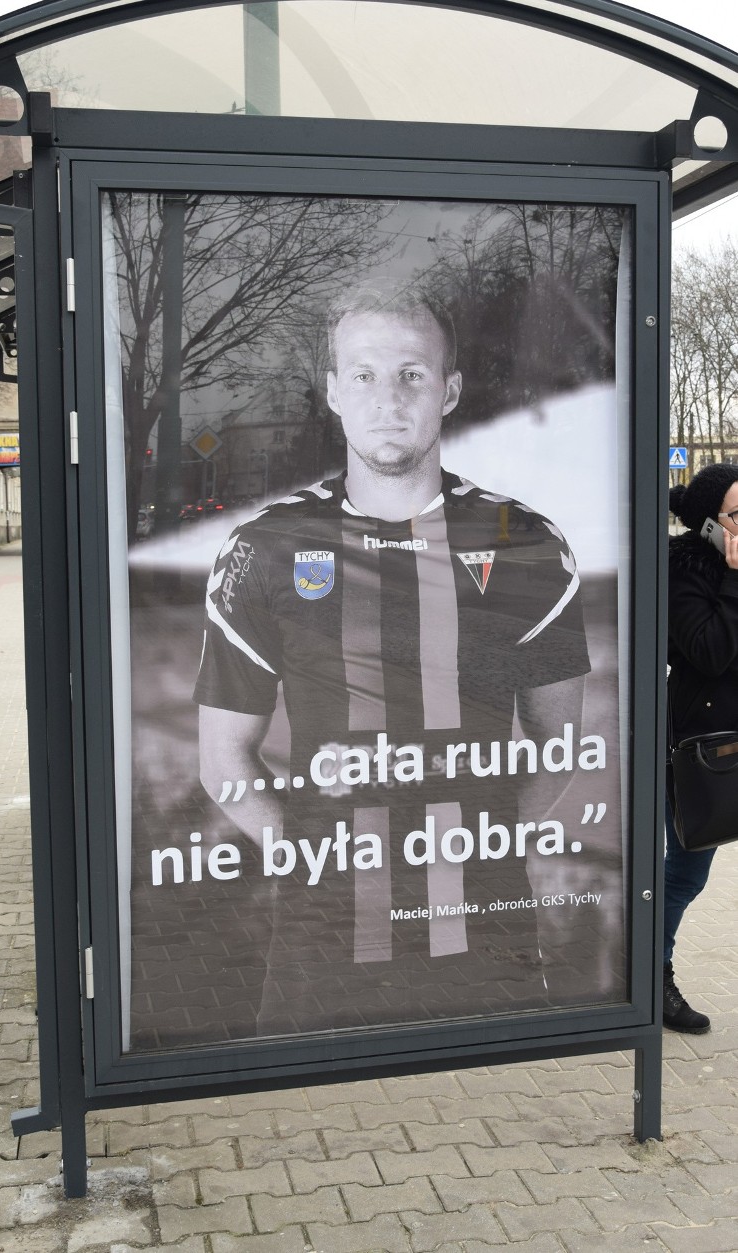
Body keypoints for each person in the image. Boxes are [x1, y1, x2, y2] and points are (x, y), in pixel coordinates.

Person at [194, 282, 591, 1035]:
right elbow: (224, 761)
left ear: (448, 390)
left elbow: (560, 745)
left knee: (488, 1126)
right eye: (366, 375)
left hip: (486, 924)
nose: (390, 397)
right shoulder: (266, 549)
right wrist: (309, 857)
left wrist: (487, 842)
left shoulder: (525, 543)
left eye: (412, 373)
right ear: (335, 393)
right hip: (322, 934)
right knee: (307, 1129)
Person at [664, 463, 738, 1033]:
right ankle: (650, 978)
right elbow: (710, 653)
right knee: (687, 873)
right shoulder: (686, 570)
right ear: (712, 524)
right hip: (706, 748)